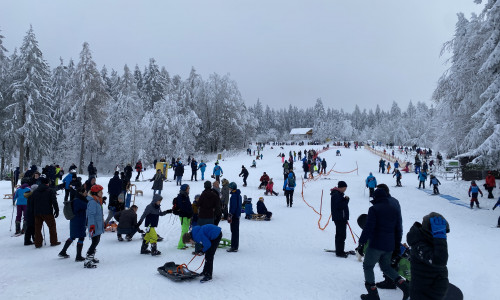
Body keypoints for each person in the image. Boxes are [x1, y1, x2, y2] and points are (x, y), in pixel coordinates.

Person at [356, 188, 409, 300]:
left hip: (376, 244)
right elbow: (398, 229)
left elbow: (368, 227)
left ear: (375, 198)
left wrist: (361, 242)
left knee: (368, 266)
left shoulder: (374, 209)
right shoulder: (394, 209)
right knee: (386, 267)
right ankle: (405, 287)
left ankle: (372, 295)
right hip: (389, 245)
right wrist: (396, 245)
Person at [406, 213, 449, 299]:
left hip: (433, 288)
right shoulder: (418, 243)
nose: (444, 236)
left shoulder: (430, 239)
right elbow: (440, 260)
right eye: (441, 232)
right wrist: (440, 238)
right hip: (424, 293)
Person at [58, 186, 88, 261]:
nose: (86, 194)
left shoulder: (76, 199)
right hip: (79, 222)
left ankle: (63, 251)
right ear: (81, 193)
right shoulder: (78, 201)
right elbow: (86, 206)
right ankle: (78, 256)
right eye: (85, 192)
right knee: (81, 237)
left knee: (72, 236)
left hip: (74, 221)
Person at [32, 177, 60, 248]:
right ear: (47, 183)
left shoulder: (35, 191)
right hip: (48, 212)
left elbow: (32, 202)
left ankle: (38, 243)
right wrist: (56, 210)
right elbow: (54, 201)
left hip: (37, 212)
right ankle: (53, 241)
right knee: (52, 226)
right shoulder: (50, 191)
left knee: (37, 228)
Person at [330, 181, 350, 258]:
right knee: (341, 235)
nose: (345, 190)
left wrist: (344, 199)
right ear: (341, 188)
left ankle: (339, 250)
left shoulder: (337, 194)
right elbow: (339, 206)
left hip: (340, 217)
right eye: (344, 188)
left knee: (340, 234)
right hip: (340, 218)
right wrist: (346, 200)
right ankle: (339, 252)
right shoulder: (336, 195)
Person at [173, 184, 193, 250]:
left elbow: (189, 205)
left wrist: (191, 213)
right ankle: (180, 245)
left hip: (187, 216)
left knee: (186, 230)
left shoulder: (186, 195)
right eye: (188, 188)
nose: (189, 190)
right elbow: (183, 207)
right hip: (183, 216)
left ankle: (183, 243)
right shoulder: (180, 197)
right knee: (184, 231)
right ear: (184, 189)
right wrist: (189, 212)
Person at [227, 182, 241, 252]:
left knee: (234, 231)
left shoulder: (234, 196)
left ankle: (234, 247)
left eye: (230, 188)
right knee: (235, 231)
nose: (229, 189)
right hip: (237, 215)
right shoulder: (238, 195)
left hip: (234, 216)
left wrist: (230, 214)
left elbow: (234, 207)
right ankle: (235, 246)